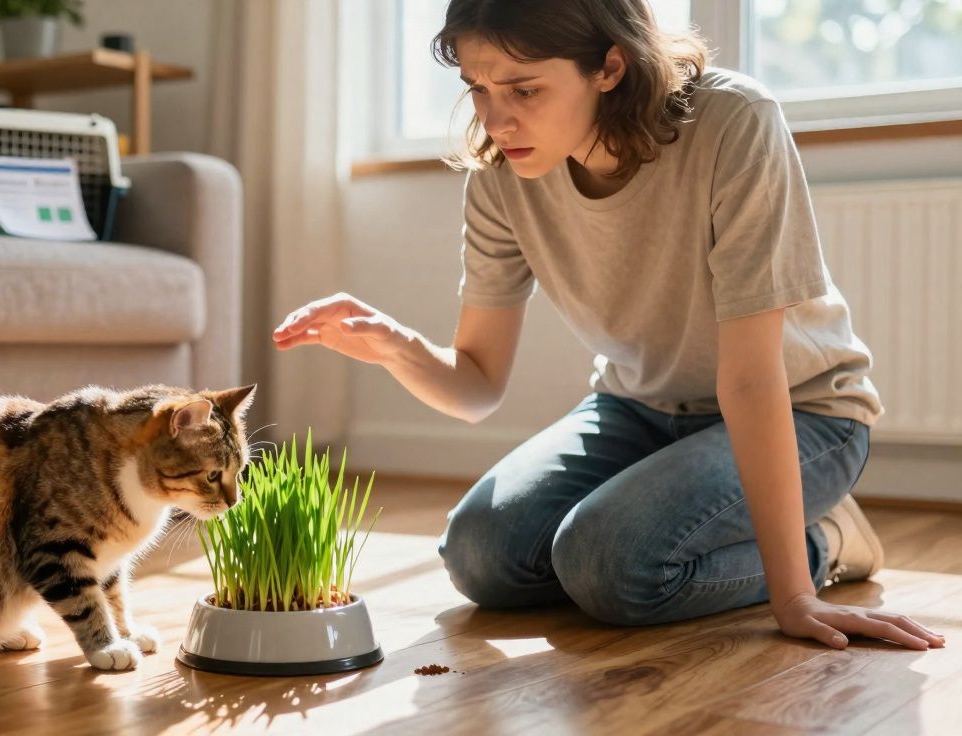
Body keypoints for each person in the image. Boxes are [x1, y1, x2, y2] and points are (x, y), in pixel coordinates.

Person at [273, 0, 945, 650]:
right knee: (480, 556)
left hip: (803, 411)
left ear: (610, 68)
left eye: (525, 90)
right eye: (477, 88)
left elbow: (748, 377)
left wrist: (793, 596)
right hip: (636, 409)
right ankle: (662, 530)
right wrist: (396, 347)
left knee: (611, 567)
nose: (496, 119)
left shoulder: (733, 122)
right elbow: (477, 385)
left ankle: (824, 540)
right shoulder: (501, 179)